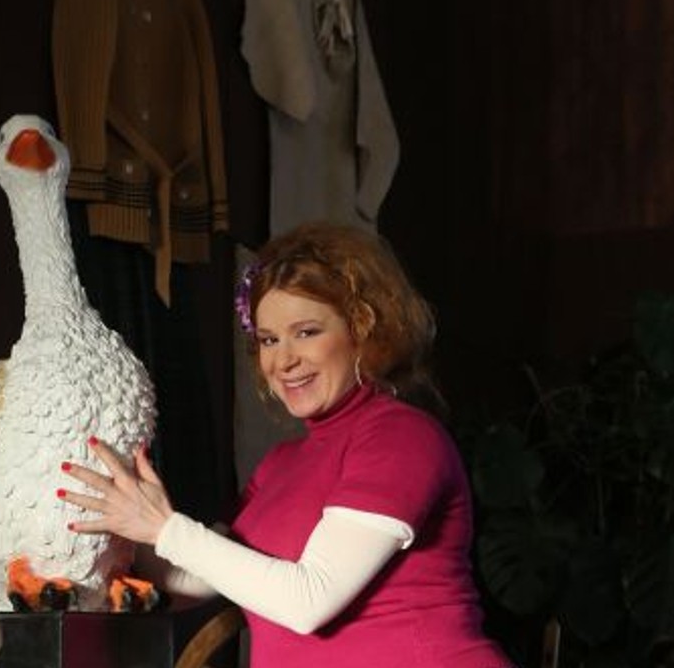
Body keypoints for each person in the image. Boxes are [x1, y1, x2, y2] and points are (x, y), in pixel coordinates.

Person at [58, 223, 514, 668]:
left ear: (363, 328)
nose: (284, 360)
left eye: (307, 332)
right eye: (269, 340)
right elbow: (192, 578)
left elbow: (307, 601)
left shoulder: (402, 437)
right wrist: (123, 524)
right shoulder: (280, 464)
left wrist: (163, 528)